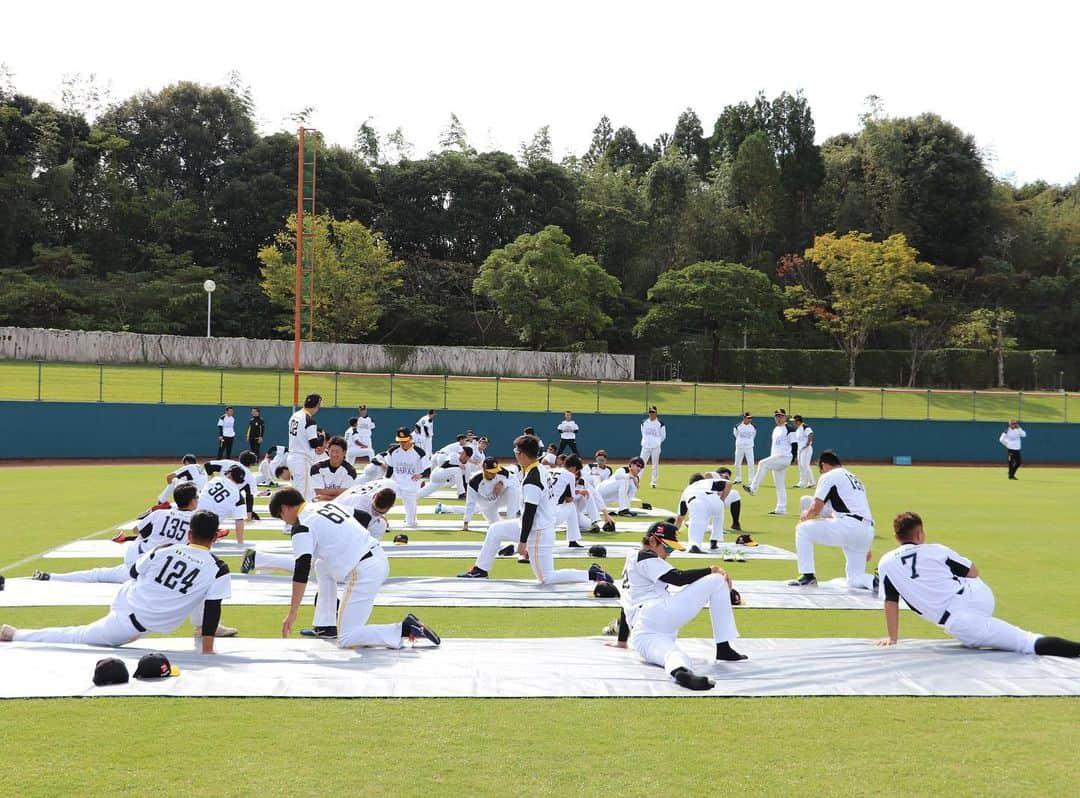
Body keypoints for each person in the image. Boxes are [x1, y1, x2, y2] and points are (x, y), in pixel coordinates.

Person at [2, 510, 233, 652]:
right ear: (215, 537)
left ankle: (52, 579)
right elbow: (213, 608)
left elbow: (134, 572)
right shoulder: (218, 569)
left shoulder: (164, 549)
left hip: (128, 595)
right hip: (129, 621)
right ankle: (14, 634)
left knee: (198, 592)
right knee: (78, 636)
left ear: (189, 534)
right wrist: (207, 650)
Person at [874, 511, 1080, 657]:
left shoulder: (886, 562)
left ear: (896, 537)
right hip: (978, 595)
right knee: (961, 576)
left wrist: (893, 638)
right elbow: (973, 571)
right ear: (919, 534)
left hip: (961, 623)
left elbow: (890, 602)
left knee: (1027, 642)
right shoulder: (936, 549)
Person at [270, 488, 441, 648]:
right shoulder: (326, 505)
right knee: (321, 565)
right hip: (377, 556)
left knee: (347, 637)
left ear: (285, 508)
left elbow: (301, 570)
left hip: (363, 570)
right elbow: (363, 517)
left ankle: (403, 628)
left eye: (280, 516)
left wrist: (292, 612)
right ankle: (326, 624)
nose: (284, 521)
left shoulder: (301, 526)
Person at [457, 434, 613, 584]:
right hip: (536, 524)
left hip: (538, 531)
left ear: (523, 455)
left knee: (546, 578)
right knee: (495, 529)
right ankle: (480, 569)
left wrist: (523, 542)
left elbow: (530, 512)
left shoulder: (533, 478)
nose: (515, 454)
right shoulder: (538, 469)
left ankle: (592, 574)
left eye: (516, 451)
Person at [610, 521, 746, 691]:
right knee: (717, 579)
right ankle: (723, 647)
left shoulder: (632, 558)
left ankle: (681, 673)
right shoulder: (645, 555)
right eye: (667, 548)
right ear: (652, 541)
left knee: (672, 655)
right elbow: (678, 578)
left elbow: (625, 604)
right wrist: (711, 569)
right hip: (657, 611)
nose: (669, 554)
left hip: (642, 633)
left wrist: (622, 642)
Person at [788, 450, 876, 590]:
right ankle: (877, 581)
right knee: (855, 579)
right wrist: (867, 546)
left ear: (824, 465)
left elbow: (816, 507)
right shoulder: (854, 478)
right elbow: (852, 509)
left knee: (802, 530)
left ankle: (807, 576)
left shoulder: (829, 475)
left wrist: (805, 517)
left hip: (849, 526)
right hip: (866, 530)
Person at [373, 427, 430, 528]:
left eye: (405, 441)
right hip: (396, 483)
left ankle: (411, 520)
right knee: (383, 499)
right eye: (400, 441)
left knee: (411, 522)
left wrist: (421, 475)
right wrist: (385, 480)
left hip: (411, 485)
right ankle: (380, 521)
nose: (402, 443)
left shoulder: (419, 452)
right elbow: (390, 468)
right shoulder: (393, 451)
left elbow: (428, 470)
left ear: (410, 438)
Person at [746, 409, 793, 515]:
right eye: (776, 416)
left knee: (762, 464)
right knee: (780, 485)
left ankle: (753, 488)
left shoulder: (789, 428)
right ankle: (781, 508)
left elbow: (794, 444)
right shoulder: (776, 429)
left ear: (785, 417)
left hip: (784, 457)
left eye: (781, 416)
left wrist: (793, 458)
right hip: (776, 458)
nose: (778, 418)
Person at [673, 473, 730, 554]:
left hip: (696, 503)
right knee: (718, 517)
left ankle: (694, 545)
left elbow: (680, 518)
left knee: (695, 523)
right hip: (715, 500)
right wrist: (722, 499)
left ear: (690, 483)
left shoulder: (687, 490)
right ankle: (714, 541)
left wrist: (672, 535)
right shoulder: (708, 482)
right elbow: (729, 483)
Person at [198, 464, 248, 545]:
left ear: (230, 474)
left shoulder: (216, 479)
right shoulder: (239, 497)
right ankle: (213, 534)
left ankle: (214, 533)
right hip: (208, 525)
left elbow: (202, 495)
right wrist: (240, 543)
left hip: (191, 516)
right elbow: (239, 520)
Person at [287, 393, 323, 501]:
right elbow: (314, 443)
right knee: (305, 493)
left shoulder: (295, 415)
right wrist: (321, 437)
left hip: (292, 456)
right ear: (317, 405)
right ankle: (300, 517)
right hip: (302, 459)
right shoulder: (309, 420)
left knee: (296, 491)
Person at [639, 406, 666, 489]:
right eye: (650, 412)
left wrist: (656, 442)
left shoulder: (660, 424)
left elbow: (663, 436)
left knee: (655, 465)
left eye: (653, 412)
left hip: (655, 447)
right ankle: (637, 479)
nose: (651, 414)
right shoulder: (644, 422)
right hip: (645, 446)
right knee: (640, 464)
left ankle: (653, 482)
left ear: (656, 413)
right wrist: (646, 441)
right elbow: (643, 433)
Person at [732, 412, 756, 484]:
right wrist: (741, 442)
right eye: (748, 418)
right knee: (737, 463)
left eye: (751, 418)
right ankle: (738, 479)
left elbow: (753, 436)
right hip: (739, 447)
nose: (750, 419)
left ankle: (751, 480)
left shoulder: (753, 427)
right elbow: (736, 435)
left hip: (749, 447)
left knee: (751, 464)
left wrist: (748, 442)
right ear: (744, 418)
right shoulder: (737, 426)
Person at [793, 415, 815, 488]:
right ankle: (804, 482)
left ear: (798, 421)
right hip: (800, 450)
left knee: (805, 465)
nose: (793, 422)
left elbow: (811, 434)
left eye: (794, 421)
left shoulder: (804, 426)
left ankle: (810, 482)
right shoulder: (798, 429)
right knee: (801, 466)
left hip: (806, 448)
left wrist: (808, 443)